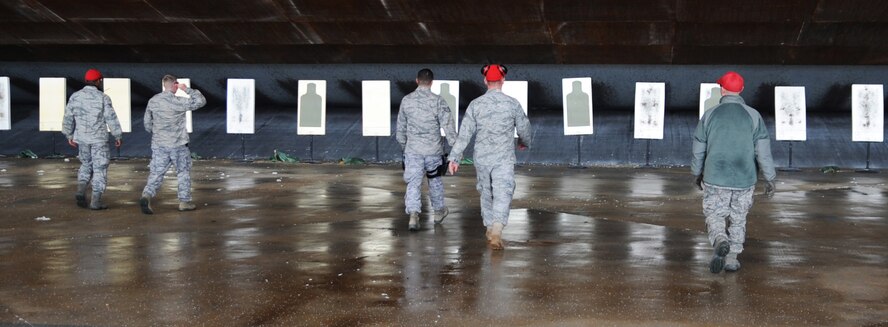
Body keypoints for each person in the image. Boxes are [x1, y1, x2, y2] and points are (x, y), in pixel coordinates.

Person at [691, 71, 776, 273]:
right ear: (742, 90)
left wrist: (696, 172)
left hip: (715, 175)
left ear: (722, 90)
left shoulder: (710, 115)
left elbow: (699, 147)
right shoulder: (753, 115)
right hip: (744, 178)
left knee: (714, 214)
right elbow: (763, 151)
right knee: (739, 217)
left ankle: (720, 239)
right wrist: (770, 178)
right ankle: (731, 258)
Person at [448, 64, 531, 250]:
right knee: (503, 192)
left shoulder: (475, 104)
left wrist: (455, 158)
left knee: (486, 192)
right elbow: (524, 128)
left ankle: (489, 227)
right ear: (503, 80)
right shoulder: (512, 103)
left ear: (485, 81)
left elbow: (464, 134)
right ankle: (497, 230)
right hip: (503, 158)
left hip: (482, 158)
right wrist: (524, 142)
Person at [396, 68, 458, 231]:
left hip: (413, 150)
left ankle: (413, 215)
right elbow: (448, 127)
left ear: (417, 81)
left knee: (413, 183)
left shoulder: (406, 100)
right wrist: (456, 150)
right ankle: (438, 212)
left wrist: (405, 147)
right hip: (433, 151)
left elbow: (400, 129)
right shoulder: (438, 101)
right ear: (432, 83)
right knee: (435, 181)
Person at [140, 74, 206, 214]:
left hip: (159, 144)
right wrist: (186, 89)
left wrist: (157, 134)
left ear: (164, 85)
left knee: (156, 173)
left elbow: (147, 123)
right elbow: (201, 101)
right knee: (183, 172)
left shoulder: (153, 101)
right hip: (178, 145)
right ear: (175, 85)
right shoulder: (178, 101)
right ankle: (184, 202)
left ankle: (147, 195)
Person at [62, 68, 123, 210]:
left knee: (86, 164)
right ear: (99, 81)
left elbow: (68, 117)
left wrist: (69, 135)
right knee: (100, 168)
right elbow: (111, 118)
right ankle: (95, 201)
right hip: (99, 139)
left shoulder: (75, 96)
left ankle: (81, 190)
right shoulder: (103, 98)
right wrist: (118, 135)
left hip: (82, 139)